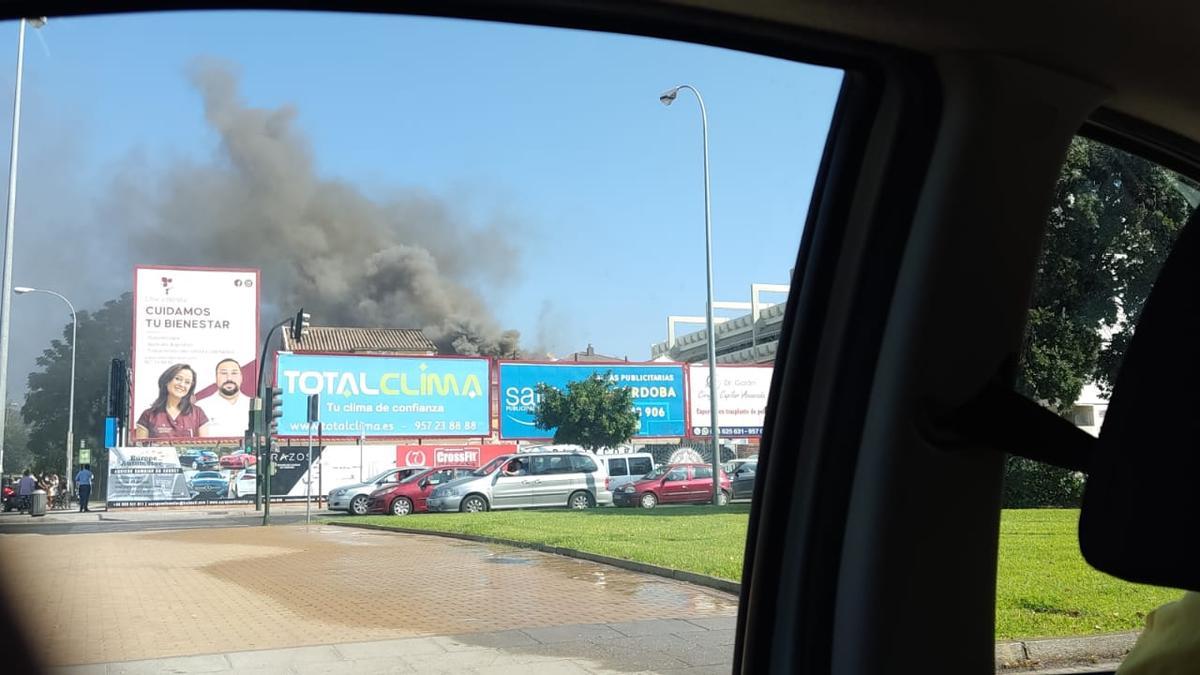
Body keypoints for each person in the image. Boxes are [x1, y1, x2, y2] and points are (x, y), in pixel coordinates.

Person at [134, 364, 210, 439]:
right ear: (167, 381)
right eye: (178, 379)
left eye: (187, 382)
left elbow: (205, 446)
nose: (182, 384)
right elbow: (141, 449)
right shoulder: (148, 415)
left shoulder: (198, 413)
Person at [196, 358, 250, 438]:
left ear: (241, 377)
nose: (229, 378)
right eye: (224, 373)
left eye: (234, 373)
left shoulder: (254, 405)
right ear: (216, 378)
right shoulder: (201, 407)